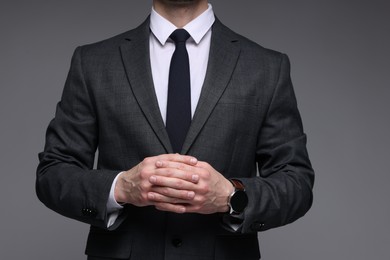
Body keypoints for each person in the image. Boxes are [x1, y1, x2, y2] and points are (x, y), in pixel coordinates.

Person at [36, 0, 314, 259]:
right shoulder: (93, 62)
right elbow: (53, 173)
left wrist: (231, 195)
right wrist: (121, 187)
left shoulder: (266, 67)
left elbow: (296, 183)